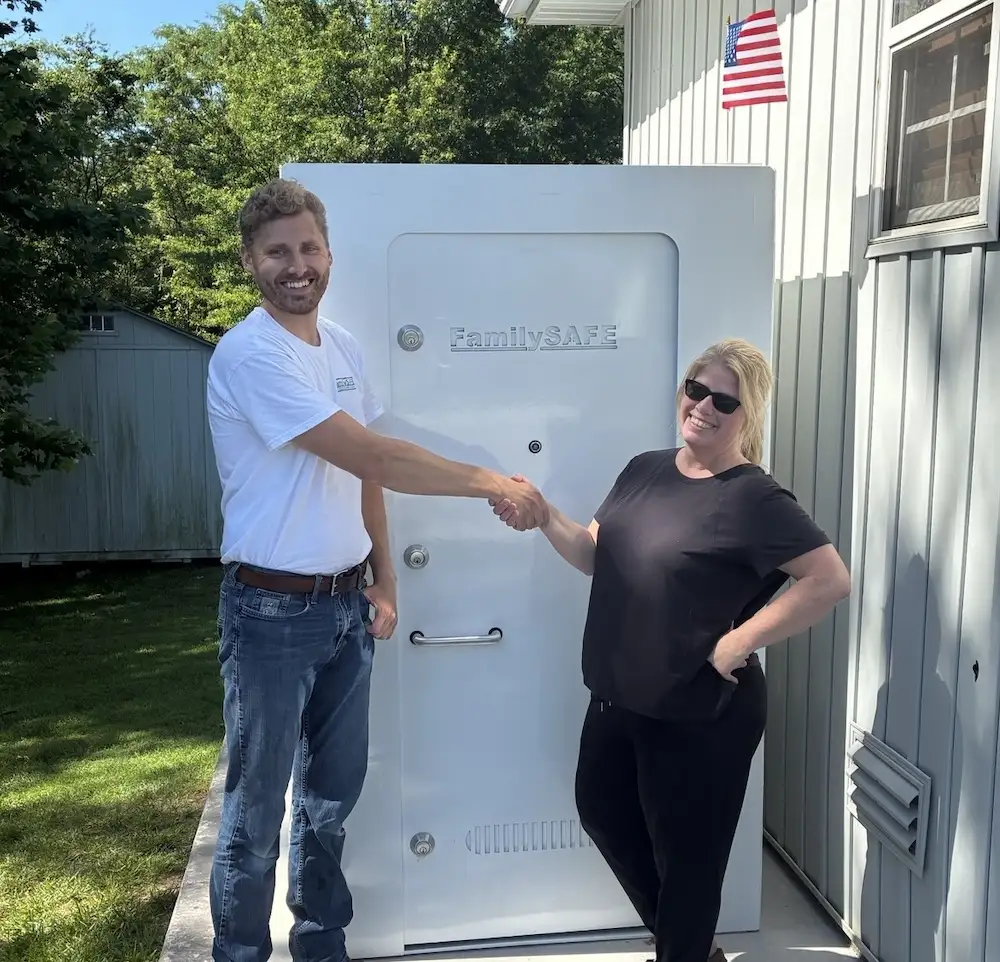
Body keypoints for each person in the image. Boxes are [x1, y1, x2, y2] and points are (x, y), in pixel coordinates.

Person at [205, 177, 547, 962]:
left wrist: (384, 579)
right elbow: (372, 454)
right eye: (278, 252)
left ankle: (321, 946)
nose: (298, 265)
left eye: (309, 248)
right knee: (256, 819)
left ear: (329, 253)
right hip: (268, 617)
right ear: (251, 261)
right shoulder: (252, 354)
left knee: (327, 807)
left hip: (342, 609)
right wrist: (491, 482)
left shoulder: (345, 349)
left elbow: (362, 479)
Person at [490, 338, 851, 962]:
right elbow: (596, 556)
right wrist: (547, 515)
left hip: (701, 709)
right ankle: (690, 947)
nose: (704, 406)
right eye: (696, 389)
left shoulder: (753, 498)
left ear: (748, 415)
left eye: (725, 400)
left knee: (687, 863)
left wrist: (736, 643)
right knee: (602, 812)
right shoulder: (645, 469)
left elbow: (829, 579)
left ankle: (682, 948)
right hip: (619, 693)